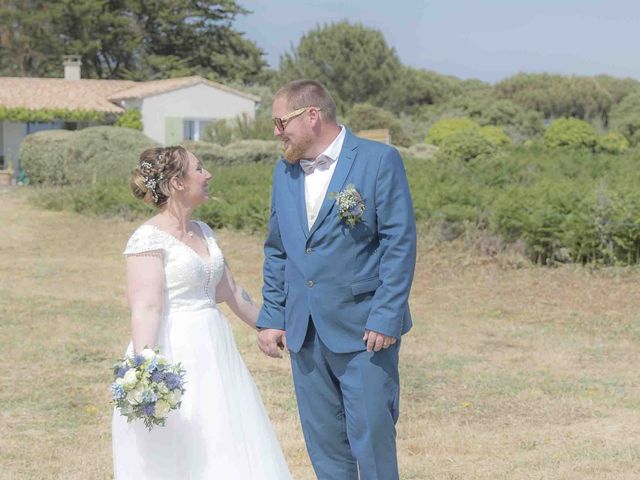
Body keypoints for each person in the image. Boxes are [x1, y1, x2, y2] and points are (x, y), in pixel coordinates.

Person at [257, 80, 417, 479]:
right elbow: (278, 249)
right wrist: (273, 315)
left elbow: (399, 243)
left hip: (364, 331)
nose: (276, 132)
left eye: (280, 122)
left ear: (311, 115)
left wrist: (386, 316)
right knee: (324, 446)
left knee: (373, 442)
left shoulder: (379, 160)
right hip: (304, 332)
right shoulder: (284, 171)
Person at [112, 146, 291, 479]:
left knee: (222, 437)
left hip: (215, 351)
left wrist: (273, 327)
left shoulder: (204, 231)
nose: (207, 175)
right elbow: (145, 308)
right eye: (199, 168)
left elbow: (232, 292)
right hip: (174, 352)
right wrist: (145, 371)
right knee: (180, 446)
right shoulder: (148, 239)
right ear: (178, 182)